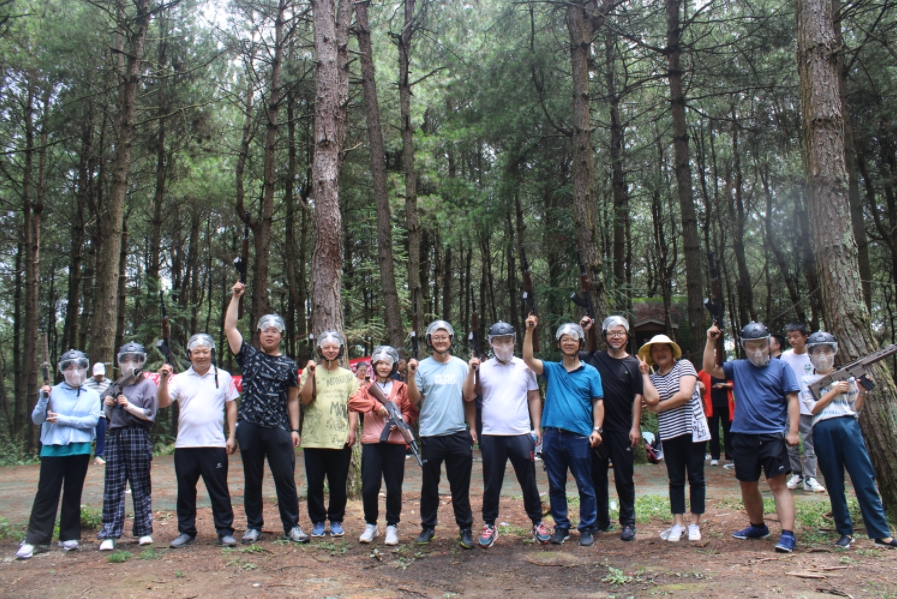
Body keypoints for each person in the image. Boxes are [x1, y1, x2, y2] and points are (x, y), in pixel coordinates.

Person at [703, 321, 801, 553]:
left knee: (777, 484)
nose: (757, 350)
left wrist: (793, 431)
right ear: (744, 346)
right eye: (751, 346)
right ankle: (757, 526)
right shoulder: (737, 367)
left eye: (761, 345)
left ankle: (787, 534)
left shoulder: (782, 368)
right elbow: (709, 368)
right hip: (742, 435)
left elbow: (793, 399)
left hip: (772, 435)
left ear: (769, 344)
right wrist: (710, 341)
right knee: (747, 484)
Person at [225, 281, 307, 544]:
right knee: (253, 479)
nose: (269, 334)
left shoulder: (289, 365)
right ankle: (253, 526)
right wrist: (236, 297)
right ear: (259, 334)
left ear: (281, 336)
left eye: (275, 331)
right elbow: (230, 328)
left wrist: (295, 429)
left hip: (278, 428)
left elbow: (292, 400)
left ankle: (292, 526)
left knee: (285, 478)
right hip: (249, 425)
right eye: (265, 331)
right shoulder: (248, 355)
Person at [799, 332, 896, 549]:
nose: (822, 355)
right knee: (834, 482)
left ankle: (881, 533)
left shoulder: (847, 377)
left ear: (834, 351)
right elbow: (813, 408)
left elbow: (855, 409)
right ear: (810, 354)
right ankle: (845, 532)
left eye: (827, 350)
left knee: (864, 478)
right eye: (817, 351)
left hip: (849, 426)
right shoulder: (807, 380)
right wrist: (834, 390)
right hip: (823, 429)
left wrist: (862, 392)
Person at [464, 322, 551, 548]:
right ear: (490, 343)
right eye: (498, 341)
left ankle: (537, 522)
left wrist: (537, 427)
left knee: (528, 481)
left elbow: (533, 397)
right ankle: (489, 524)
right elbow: (469, 396)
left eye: (508, 340)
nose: (503, 345)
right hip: (492, 434)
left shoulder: (525, 366)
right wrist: (471, 371)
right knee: (492, 482)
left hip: (520, 433)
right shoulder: (482, 368)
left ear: (514, 341)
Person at [523, 315, 603, 547]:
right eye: (564, 339)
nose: (569, 343)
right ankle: (562, 527)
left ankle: (586, 527)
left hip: (579, 437)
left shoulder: (591, 372)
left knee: (585, 484)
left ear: (580, 343)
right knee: (556, 485)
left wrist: (597, 429)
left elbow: (598, 402)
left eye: (573, 339)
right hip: (552, 436)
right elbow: (528, 359)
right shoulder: (552, 369)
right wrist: (530, 330)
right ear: (559, 344)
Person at [16, 350, 101, 559]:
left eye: (79, 367)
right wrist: (43, 398)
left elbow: (92, 421)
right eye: (69, 367)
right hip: (53, 448)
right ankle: (35, 539)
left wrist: (63, 419)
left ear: (85, 368)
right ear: (62, 370)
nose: (75, 372)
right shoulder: (51, 391)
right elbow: (37, 419)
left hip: (79, 449)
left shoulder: (92, 395)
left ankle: (69, 535)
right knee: (46, 493)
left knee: (73, 492)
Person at [157, 334, 239, 548]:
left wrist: (231, 435)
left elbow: (231, 405)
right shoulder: (179, 379)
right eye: (196, 352)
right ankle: (186, 531)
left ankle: (224, 531)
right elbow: (163, 402)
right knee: (185, 491)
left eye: (205, 351)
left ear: (211, 353)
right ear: (189, 355)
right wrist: (164, 380)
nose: (201, 356)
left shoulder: (223, 377)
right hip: (186, 445)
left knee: (219, 490)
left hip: (214, 444)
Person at [407, 320, 478, 548]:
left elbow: (468, 398)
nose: (440, 340)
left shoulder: (461, 366)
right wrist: (411, 375)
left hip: (458, 433)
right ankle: (428, 527)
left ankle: (465, 528)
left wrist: (473, 427)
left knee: (460, 486)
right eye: (436, 337)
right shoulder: (421, 367)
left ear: (450, 339)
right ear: (429, 341)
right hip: (431, 435)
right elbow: (413, 400)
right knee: (430, 485)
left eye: (444, 336)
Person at [579, 315, 643, 542]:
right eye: (611, 333)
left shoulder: (633, 364)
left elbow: (638, 397)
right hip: (597, 430)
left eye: (620, 332)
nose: (616, 336)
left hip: (622, 429)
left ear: (627, 336)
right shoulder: (595, 358)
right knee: (596, 476)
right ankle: (601, 519)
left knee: (624, 477)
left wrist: (635, 427)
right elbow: (578, 352)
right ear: (604, 336)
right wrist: (586, 330)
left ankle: (628, 522)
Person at [639, 335, 706, 543]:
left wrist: (659, 406)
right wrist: (644, 375)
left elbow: (685, 394)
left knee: (696, 477)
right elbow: (650, 400)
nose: (660, 353)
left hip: (693, 430)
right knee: (675, 479)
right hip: (669, 433)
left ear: (671, 351)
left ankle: (694, 524)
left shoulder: (684, 366)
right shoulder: (653, 378)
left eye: (664, 348)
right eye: (655, 350)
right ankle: (678, 524)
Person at [348, 346, 418, 545]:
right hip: (372, 441)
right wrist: (375, 406)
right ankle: (371, 524)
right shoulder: (366, 388)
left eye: (387, 363)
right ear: (374, 366)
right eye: (379, 363)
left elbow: (411, 410)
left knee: (394, 487)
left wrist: (401, 421)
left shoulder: (402, 388)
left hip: (395, 443)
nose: (383, 367)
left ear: (393, 365)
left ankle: (392, 526)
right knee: (370, 486)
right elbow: (353, 402)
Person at [98, 342, 158, 551]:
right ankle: (110, 533)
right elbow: (109, 417)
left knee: (140, 483)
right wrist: (108, 405)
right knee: (113, 484)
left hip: (138, 434)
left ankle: (144, 530)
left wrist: (129, 405)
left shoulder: (147, 385)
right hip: (116, 435)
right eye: (126, 360)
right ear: (120, 362)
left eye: (135, 359)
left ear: (142, 361)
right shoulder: (115, 385)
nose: (130, 364)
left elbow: (150, 414)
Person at [298, 331, 359, 539]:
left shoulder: (348, 376)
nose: (330, 350)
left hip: (339, 438)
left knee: (338, 483)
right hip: (314, 438)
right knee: (314, 484)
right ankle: (317, 521)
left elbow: (353, 405)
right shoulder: (310, 371)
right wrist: (310, 375)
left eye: (334, 347)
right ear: (319, 350)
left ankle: (335, 519)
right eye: (326, 347)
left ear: (340, 350)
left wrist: (352, 429)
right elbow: (305, 399)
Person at [781, 322, 825, 493]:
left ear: (806, 336)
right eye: (789, 337)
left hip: (809, 406)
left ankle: (810, 477)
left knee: (809, 443)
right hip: (790, 406)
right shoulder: (785, 356)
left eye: (796, 336)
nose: (792, 340)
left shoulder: (813, 356)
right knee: (790, 442)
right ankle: (796, 474)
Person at [697, 356, 735, 467]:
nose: (714, 358)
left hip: (727, 404)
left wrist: (725, 385)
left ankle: (731, 456)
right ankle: (714, 457)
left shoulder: (727, 369)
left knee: (729, 430)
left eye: (716, 355)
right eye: (712, 356)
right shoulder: (706, 371)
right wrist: (700, 385)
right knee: (713, 431)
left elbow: (736, 382)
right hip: (712, 405)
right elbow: (695, 378)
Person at [84, 362, 111, 465]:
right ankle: (85, 454)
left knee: (101, 434)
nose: (99, 377)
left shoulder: (108, 383)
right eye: (97, 375)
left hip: (102, 413)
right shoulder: (86, 383)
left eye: (101, 375)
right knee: (86, 434)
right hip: (88, 414)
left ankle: (98, 455)